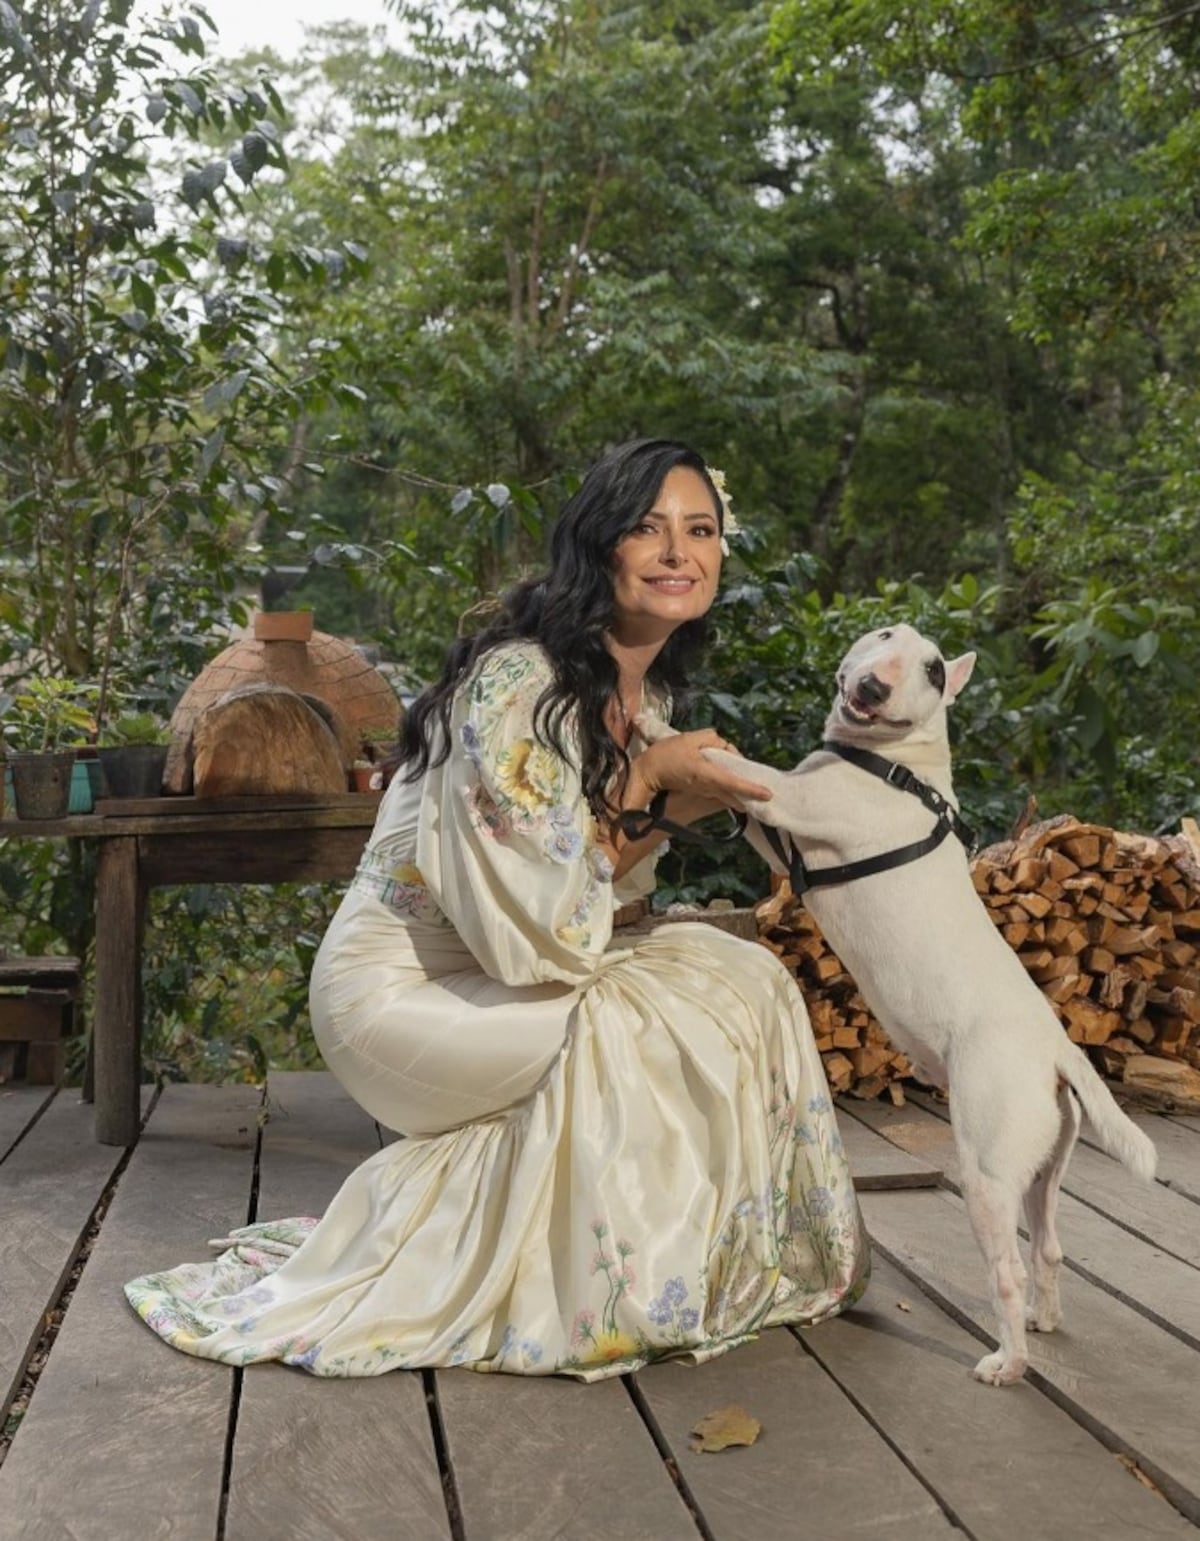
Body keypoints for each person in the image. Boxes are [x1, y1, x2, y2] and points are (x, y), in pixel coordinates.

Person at [125, 438, 869, 1379]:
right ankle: (578, 1283)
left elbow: (597, 880)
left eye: (701, 529)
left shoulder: (640, 697)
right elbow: (544, 926)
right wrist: (651, 783)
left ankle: (721, 1261)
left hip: (513, 971)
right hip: (402, 993)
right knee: (644, 1024)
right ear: (601, 547)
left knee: (744, 978)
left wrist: (672, 795)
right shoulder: (521, 683)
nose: (679, 551)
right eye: (648, 528)